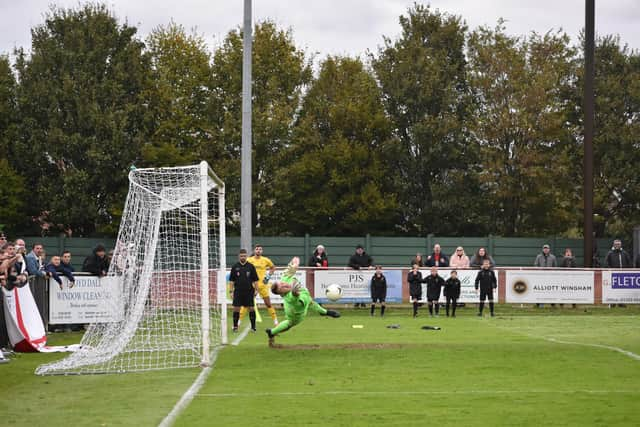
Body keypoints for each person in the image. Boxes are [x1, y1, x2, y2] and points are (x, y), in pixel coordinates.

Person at [266, 256, 340, 346]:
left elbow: (291, 268)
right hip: (296, 312)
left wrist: (295, 262)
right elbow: (295, 296)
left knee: (310, 301)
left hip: (302, 297)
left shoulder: (285, 278)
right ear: (281, 294)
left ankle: (325, 312)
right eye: (281, 288)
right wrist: (295, 293)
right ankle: (272, 332)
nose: (284, 285)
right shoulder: (290, 297)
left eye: (281, 283)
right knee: (289, 324)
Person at [244, 244, 278, 325]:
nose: (258, 250)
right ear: (254, 251)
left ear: (262, 251)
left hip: (262, 285)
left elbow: (273, 267)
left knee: (268, 303)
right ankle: (237, 323)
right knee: (246, 303)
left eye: (260, 249)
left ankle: (275, 321)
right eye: (257, 249)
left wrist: (267, 277)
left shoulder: (266, 260)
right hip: (252, 285)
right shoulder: (249, 260)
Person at [229, 249, 259, 332]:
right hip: (238, 291)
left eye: (244, 256)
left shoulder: (251, 266)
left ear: (246, 256)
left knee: (251, 308)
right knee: (236, 308)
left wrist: (257, 290)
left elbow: (255, 280)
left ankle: (253, 327)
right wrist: (231, 291)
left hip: (249, 291)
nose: (243, 257)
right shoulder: (235, 267)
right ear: (239, 256)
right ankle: (235, 327)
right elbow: (231, 281)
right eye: (241, 256)